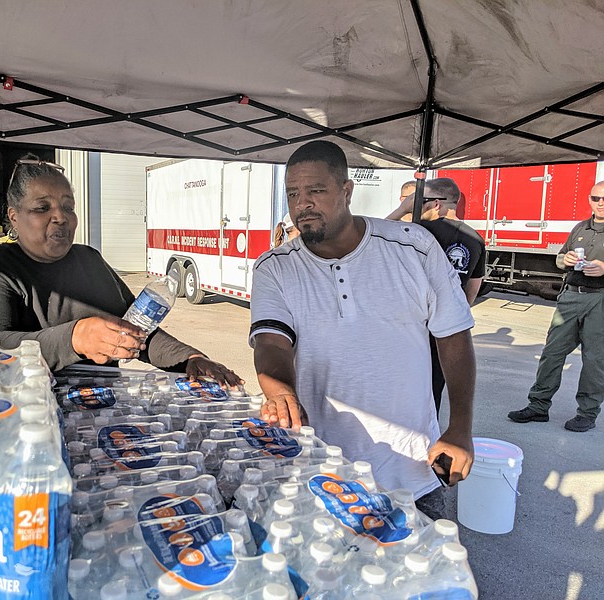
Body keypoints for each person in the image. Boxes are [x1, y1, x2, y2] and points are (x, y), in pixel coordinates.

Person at [250, 141, 476, 519]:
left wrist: (460, 428)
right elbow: (272, 343)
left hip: (413, 469)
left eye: (315, 191)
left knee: (423, 574)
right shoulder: (274, 268)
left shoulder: (414, 247)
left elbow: (453, 337)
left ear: (347, 190)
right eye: (292, 194)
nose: (302, 203)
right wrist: (279, 390)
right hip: (321, 472)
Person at [0, 154, 243, 387]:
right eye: (42, 207)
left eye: (68, 207)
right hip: (23, 418)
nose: (60, 217)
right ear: (14, 217)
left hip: (99, 412)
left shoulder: (89, 261)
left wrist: (188, 358)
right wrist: (75, 338)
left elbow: (136, 329)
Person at [508, 181, 604, 432]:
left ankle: (587, 413)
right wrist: (566, 259)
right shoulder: (580, 227)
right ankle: (538, 406)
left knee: (594, 360)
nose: (601, 203)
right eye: (596, 198)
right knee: (552, 353)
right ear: (589, 199)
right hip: (571, 297)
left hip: (600, 299)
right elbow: (560, 258)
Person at [387, 177, 485, 414]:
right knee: (434, 390)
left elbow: (372, 238)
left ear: (437, 204)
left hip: (410, 325)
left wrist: (402, 209)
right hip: (445, 329)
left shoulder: (418, 232)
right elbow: (473, 287)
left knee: (401, 390)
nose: (417, 206)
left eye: (421, 201)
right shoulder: (476, 239)